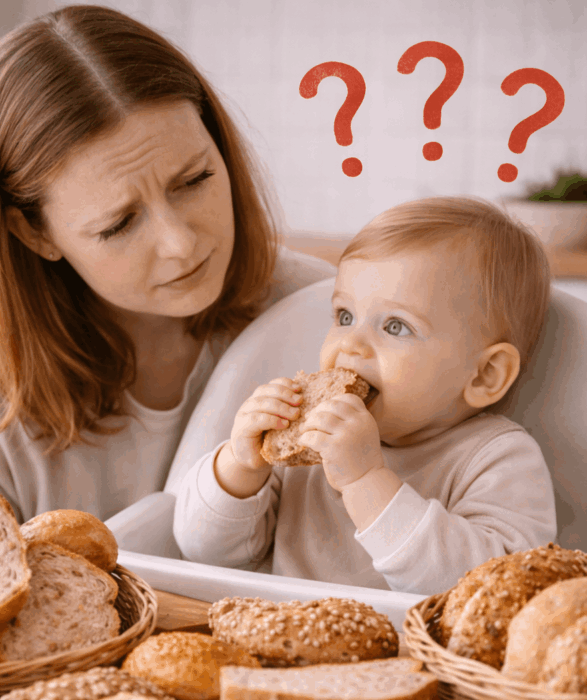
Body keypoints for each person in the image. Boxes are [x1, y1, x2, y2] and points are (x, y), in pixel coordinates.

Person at [0, 5, 332, 523]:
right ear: (34, 233)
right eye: (118, 225)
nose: (181, 244)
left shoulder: (329, 314)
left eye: (194, 179)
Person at [174, 197, 557, 595]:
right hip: (276, 628)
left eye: (396, 326)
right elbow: (203, 552)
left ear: (484, 374)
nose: (350, 344)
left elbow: (496, 589)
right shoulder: (305, 441)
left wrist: (365, 480)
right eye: (345, 316)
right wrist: (239, 467)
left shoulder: (498, 459)